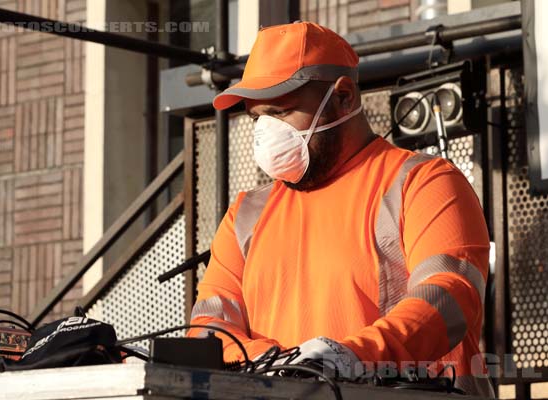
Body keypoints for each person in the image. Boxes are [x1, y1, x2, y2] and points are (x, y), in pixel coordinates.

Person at [186, 21, 493, 397]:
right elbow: (208, 328)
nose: (265, 133)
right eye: (256, 117)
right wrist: (282, 366)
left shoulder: (423, 181)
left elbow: (449, 296)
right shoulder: (245, 214)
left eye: (281, 112)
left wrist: (351, 359)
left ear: (344, 96)